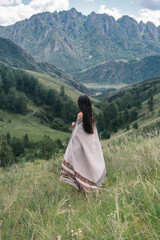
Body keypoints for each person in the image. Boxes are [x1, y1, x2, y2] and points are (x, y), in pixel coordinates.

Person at [60, 95, 106, 192]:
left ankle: (79, 189)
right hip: (87, 146)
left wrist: (74, 125)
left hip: (78, 146)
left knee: (77, 166)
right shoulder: (91, 115)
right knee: (84, 166)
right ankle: (87, 185)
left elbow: (77, 132)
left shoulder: (80, 115)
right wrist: (76, 124)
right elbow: (87, 131)